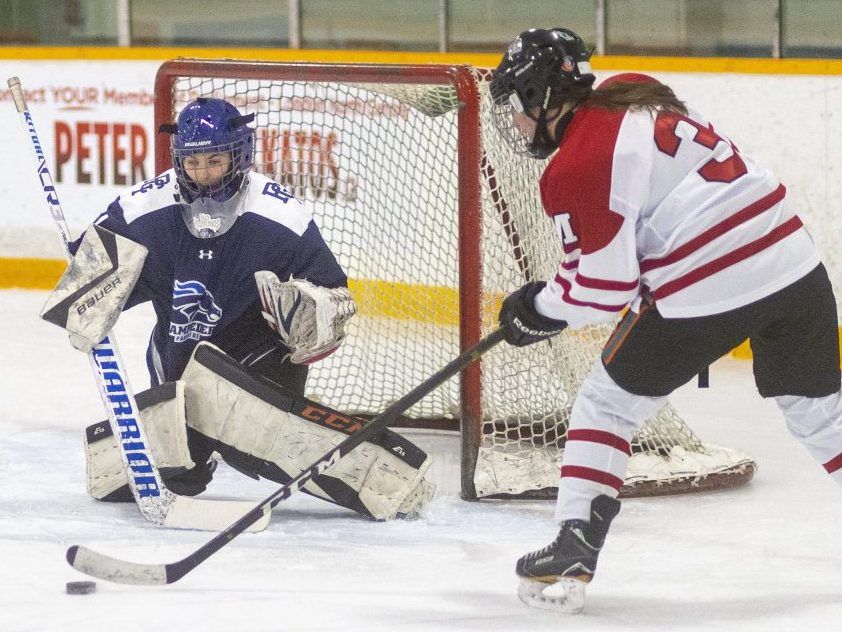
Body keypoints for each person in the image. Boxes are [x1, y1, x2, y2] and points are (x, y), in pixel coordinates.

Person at [490, 28, 841, 613]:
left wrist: (537, 310)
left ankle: (576, 540)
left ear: (543, 94)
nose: (518, 124)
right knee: (821, 413)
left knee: (606, 403)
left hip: (708, 284)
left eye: (519, 105)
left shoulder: (574, 166)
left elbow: (604, 290)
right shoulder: (633, 90)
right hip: (791, 258)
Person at [42, 97, 434, 521]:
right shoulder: (143, 210)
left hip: (256, 371)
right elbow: (84, 285)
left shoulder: (278, 216)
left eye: (215, 160)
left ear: (240, 155)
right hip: (178, 369)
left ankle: (385, 472)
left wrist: (307, 312)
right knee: (118, 475)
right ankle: (196, 444)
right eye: (193, 162)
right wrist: (87, 286)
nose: (204, 173)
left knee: (251, 434)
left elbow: (335, 298)